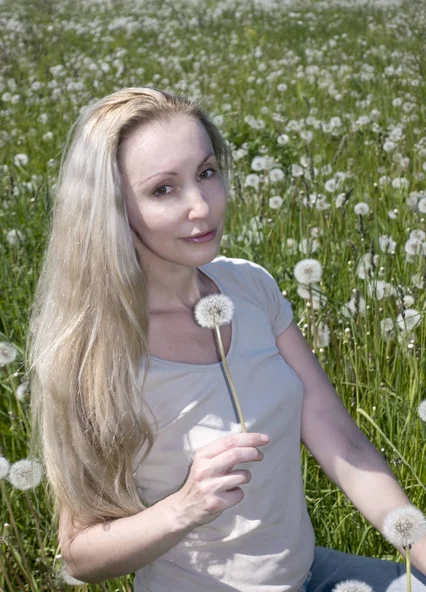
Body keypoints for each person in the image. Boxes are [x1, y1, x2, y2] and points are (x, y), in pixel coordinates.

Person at [27, 87, 426, 592]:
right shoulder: (94, 353)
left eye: (206, 173)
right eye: (163, 189)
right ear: (111, 209)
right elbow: (80, 553)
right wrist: (186, 506)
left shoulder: (251, 285)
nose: (201, 206)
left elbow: (341, 440)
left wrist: (420, 544)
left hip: (309, 574)